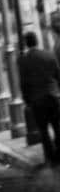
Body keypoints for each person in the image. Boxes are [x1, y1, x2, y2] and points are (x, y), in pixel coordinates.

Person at [17, 30, 60, 165]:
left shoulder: (23, 60)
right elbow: (58, 75)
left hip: (37, 99)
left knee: (43, 130)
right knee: (58, 127)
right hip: (53, 96)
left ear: (26, 43)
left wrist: (27, 100)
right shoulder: (49, 55)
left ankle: (51, 158)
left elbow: (24, 83)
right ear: (37, 41)